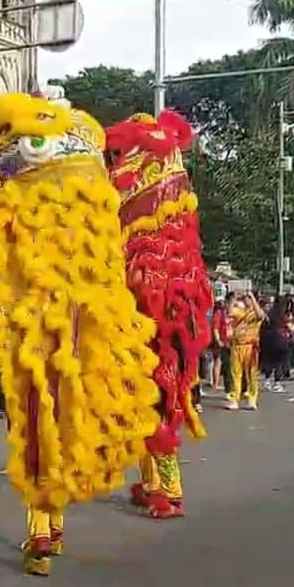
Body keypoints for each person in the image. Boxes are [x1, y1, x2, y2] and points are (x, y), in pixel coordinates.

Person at [0, 91, 161, 576]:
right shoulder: (29, 248)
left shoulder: (82, 273)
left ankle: (46, 528)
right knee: (38, 423)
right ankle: (45, 527)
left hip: (62, 340)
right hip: (38, 339)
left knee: (48, 422)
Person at [106, 109, 214, 519]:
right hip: (166, 313)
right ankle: (154, 484)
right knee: (149, 405)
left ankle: (169, 490)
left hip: (158, 319)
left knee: (158, 404)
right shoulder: (172, 203)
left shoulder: (149, 226)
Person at [226, 291, 263, 409]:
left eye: (248, 298)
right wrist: (234, 299)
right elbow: (230, 312)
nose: (246, 300)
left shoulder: (255, 312)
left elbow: (261, 315)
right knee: (235, 374)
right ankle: (234, 399)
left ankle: (252, 399)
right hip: (236, 346)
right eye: (245, 298)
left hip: (250, 347)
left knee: (251, 374)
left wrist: (253, 298)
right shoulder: (240, 311)